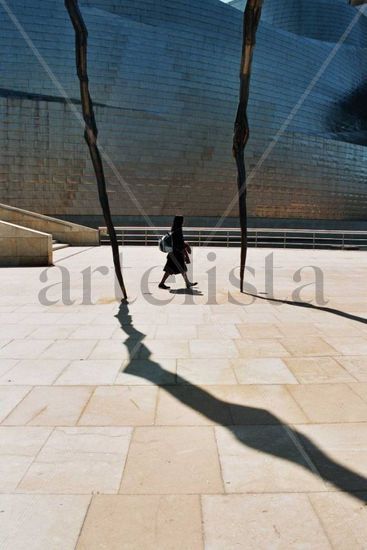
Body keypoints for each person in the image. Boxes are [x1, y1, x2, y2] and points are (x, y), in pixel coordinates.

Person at [159, 216, 198, 290]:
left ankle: (187, 283)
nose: (183, 222)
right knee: (178, 269)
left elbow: (179, 242)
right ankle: (187, 283)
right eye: (182, 221)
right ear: (180, 222)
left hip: (173, 253)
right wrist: (186, 247)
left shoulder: (174, 229)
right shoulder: (178, 230)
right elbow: (179, 243)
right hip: (176, 254)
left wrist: (185, 247)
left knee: (172, 269)